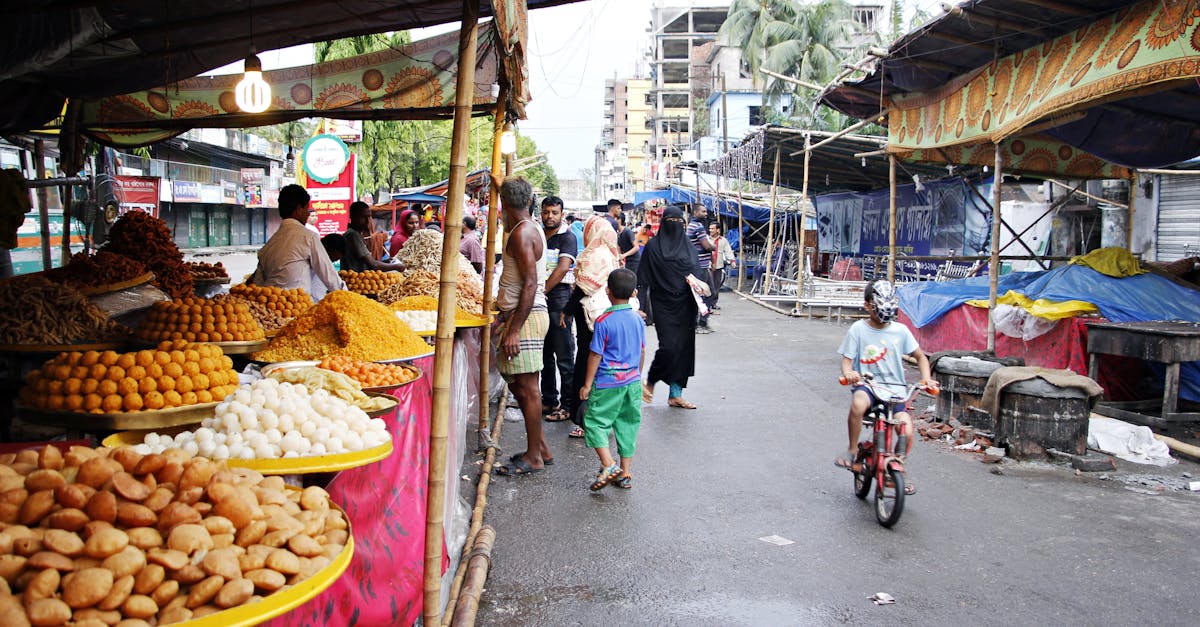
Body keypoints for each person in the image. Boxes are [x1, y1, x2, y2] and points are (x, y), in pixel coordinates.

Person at [835, 280, 937, 495]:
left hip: (896, 390)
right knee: (857, 404)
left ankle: (898, 466)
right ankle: (853, 448)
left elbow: (920, 357)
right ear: (867, 305)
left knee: (906, 429)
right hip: (869, 386)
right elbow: (846, 360)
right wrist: (849, 373)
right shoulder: (858, 329)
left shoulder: (900, 331)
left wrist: (926, 379)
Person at [493, 176, 552, 476]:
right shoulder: (525, 228)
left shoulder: (522, 233)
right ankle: (539, 446)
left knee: (528, 388)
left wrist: (514, 328)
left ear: (504, 206)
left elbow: (530, 283)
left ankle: (534, 456)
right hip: (520, 315)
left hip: (526, 318)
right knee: (518, 383)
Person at [579, 268, 645, 491]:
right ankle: (625, 474)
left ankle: (609, 465)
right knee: (627, 425)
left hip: (608, 382)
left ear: (607, 292)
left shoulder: (603, 320)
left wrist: (587, 384)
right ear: (634, 293)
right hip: (632, 381)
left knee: (595, 422)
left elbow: (596, 354)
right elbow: (642, 351)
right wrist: (638, 376)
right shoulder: (638, 320)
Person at [638, 206, 702, 409]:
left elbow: (698, 273)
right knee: (669, 347)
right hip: (663, 303)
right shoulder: (653, 247)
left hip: (686, 304)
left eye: (679, 222)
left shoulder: (689, 246)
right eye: (671, 222)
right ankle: (651, 379)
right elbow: (642, 279)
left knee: (683, 349)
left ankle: (675, 394)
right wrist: (640, 306)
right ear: (664, 222)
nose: (675, 226)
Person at [565, 215, 620, 436]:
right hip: (606, 318)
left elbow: (583, 287)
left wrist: (566, 310)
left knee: (588, 365)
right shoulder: (611, 254)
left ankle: (585, 419)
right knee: (603, 366)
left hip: (591, 321)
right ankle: (606, 418)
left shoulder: (596, 254)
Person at [251, 184, 346, 302]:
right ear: (298, 209)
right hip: (298, 308)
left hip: (271, 308)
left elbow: (257, 285)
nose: (307, 214)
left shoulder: (268, 246)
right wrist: (348, 299)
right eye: (306, 209)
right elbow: (331, 278)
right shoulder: (308, 237)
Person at [539, 196, 578, 426]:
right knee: (544, 355)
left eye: (554, 212)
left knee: (564, 355)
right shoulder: (539, 235)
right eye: (546, 212)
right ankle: (549, 399)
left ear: (561, 213)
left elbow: (563, 267)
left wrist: (543, 290)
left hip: (559, 301)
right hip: (539, 303)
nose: (550, 216)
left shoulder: (568, 238)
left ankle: (567, 405)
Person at [342, 202, 403, 273]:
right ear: (353, 216)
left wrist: (384, 262)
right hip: (355, 281)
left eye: (368, 217)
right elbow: (373, 265)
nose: (368, 221)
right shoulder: (352, 235)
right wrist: (397, 266)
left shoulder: (356, 234)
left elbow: (365, 263)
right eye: (363, 217)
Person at [686, 204, 716, 333]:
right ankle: (701, 323)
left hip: (696, 265)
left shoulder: (691, 226)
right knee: (707, 294)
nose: (705, 213)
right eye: (703, 211)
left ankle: (697, 323)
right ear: (695, 212)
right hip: (700, 267)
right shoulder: (698, 227)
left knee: (699, 295)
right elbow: (706, 246)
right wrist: (713, 246)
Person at [708, 223, 735, 311]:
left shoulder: (723, 240)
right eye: (710, 228)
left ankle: (713, 303)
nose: (710, 230)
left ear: (718, 230)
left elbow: (728, 251)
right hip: (707, 266)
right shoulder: (706, 239)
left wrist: (732, 260)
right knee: (707, 285)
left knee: (716, 285)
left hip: (719, 266)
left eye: (712, 228)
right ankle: (706, 304)